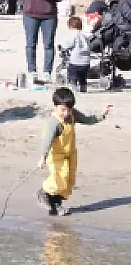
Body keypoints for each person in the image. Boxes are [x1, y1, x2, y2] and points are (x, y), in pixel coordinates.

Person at [39, 87, 112, 216]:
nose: (66, 113)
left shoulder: (73, 114)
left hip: (71, 153)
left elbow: (87, 120)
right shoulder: (53, 123)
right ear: (55, 106)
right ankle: (43, 192)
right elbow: (46, 141)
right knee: (60, 178)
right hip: (56, 155)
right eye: (63, 110)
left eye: (69, 109)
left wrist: (102, 114)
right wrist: (42, 158)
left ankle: (56, 204)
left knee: (69, 181)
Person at [16, 0, 66, 83]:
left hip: (49, 15)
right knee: (31, 44)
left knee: (49, 44)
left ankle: (47, 72)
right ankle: (32, 70)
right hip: (31, 14)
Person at [63, 15, 93, 92]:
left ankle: (74, 88)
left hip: (75, 61)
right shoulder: (85, 36)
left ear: (70, 26)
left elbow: (68, 44)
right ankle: (83, 88)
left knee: (73, 76)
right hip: (86, 62)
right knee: (83, 77)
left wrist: (62, 47)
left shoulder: (73, 35)